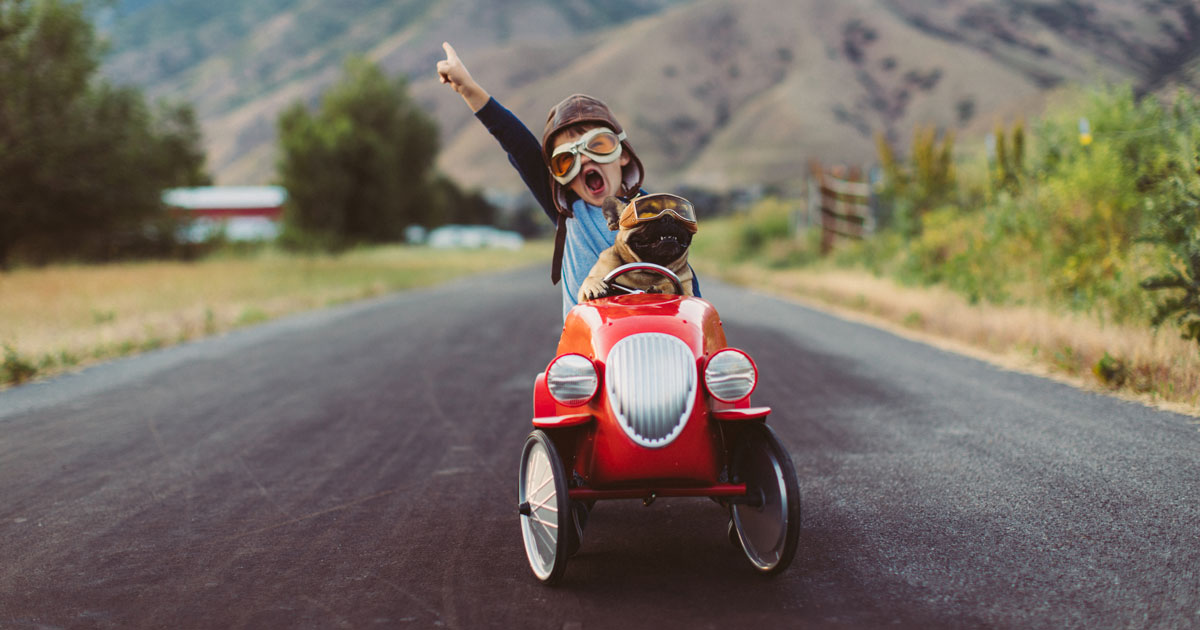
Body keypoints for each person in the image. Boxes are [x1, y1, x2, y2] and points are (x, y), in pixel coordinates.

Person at [435, 42, 699, 319]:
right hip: (587, 349)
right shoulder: (569, 210)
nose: (584, 160)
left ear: (623, 154)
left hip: (655, 335)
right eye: (566, 160)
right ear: (560, 177)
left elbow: (684, 279)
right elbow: (519, 146)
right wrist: (468, 87)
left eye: (598, 145)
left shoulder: (656, 213)